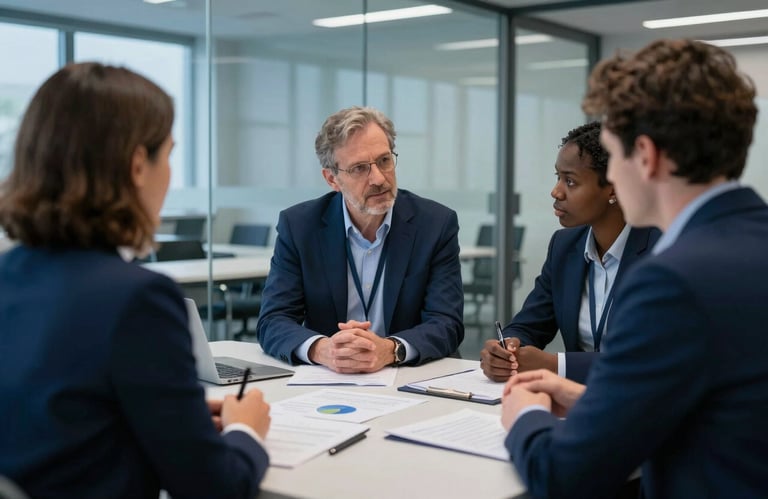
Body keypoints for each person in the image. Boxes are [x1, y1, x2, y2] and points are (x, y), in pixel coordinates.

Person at [502, 38, 768, 499]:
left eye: (613, 153)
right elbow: (729, 409)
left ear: (645, 157)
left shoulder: (673, 280)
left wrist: (525, 413)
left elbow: (565, 474)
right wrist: (595, 401)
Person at [0, 63, 271, 498]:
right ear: (137, 166)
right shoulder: (136, 298)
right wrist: (246, 432)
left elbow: (53, 414)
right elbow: (216, 489)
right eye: (168, 155)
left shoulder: (9, 275)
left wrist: (169, 411)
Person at [256, 106, 464, 373]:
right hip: (329, 379)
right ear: (332, 179)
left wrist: (390, 350)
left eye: (384, 161)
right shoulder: (300, 226)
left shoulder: (435, 224)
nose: (378, 178)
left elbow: (447, 322)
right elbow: (273, 320)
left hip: (407, 375)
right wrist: (324, 349)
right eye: (359, 168)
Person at [481, 122, 659, 384]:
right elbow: (530, 324)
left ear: (612, 187)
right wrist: (506, 348)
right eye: (558, 177)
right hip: (574, 405)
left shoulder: (661, 252)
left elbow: (649, 358)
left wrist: (557, 365)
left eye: (571, 181)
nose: (556, 191)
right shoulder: (564, 246)